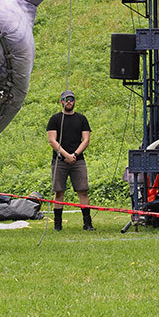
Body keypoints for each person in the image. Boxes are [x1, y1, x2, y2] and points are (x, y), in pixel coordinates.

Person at [47, 90, 94, 231]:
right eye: (66, 99)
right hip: (59, 160)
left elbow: (86, 139)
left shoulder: (82, 119)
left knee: (83, 191)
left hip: (78, 160)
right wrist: (66, 155)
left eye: (71, 99)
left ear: (74, 101)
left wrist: (75, 154)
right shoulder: (55, 119)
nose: (69, 102)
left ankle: (87, 223)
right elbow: (52, 141)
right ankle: (57, 225)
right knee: (59, 192)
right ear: (61, 102)